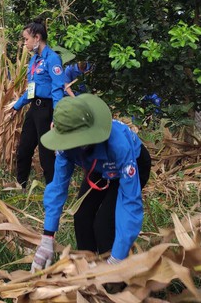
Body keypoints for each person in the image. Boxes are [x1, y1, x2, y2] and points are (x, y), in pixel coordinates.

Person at [31, 94, 151, 271]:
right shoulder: (66, 146)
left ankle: (115, 275)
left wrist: (117, 258)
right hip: (98, 168)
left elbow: (129, 203)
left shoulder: (118, 145)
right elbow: (57, 187)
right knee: (82, 216)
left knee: (104, 224)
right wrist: (47, 237)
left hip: (129, 166)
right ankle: (87, 267)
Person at [11, 20, 65, 188]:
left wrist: (57, 116)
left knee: (46, 153)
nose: (24, 43)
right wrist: (16, 106)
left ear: (37, 37)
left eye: (26, 39)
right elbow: (31, 89)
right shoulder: (34, 60)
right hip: (34, 108)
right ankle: (21, 184)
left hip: (47, 110)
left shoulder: (53, 59)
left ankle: (52, 188)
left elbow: (58, 90)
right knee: (24, 148)